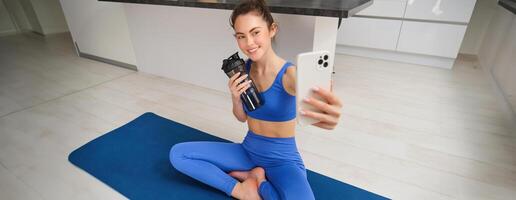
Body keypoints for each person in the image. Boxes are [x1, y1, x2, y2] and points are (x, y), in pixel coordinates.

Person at [169, 0, 343, 199]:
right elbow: (242, 117)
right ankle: (241, 190)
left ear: (272, 30)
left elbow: (319, 102)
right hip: (247, 151)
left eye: (255, 32)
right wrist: (235, 98)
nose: (249, 43)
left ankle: (258, 180)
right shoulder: (243, 69)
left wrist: (329, 111)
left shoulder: (290, 75)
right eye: (241, 36)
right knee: (178, 154)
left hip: (282, 161)